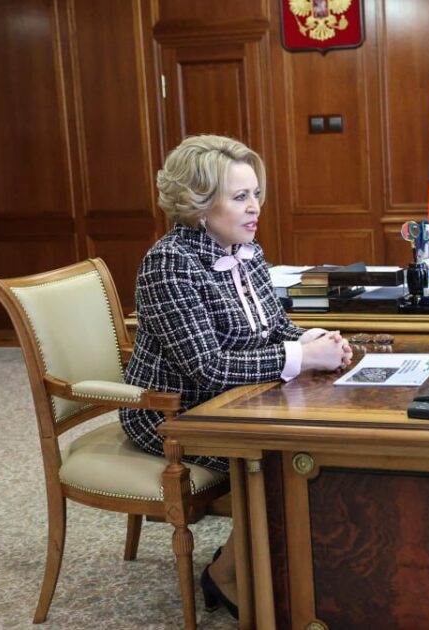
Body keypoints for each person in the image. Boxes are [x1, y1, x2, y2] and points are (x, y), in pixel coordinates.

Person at [121, 134, 352, 618]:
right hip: (174, 412)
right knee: (276, 461)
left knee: (319, 448)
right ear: (200, 204)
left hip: (239, 396)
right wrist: (302, 357)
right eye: (240, 196)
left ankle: (292, 572)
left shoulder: (248, 250)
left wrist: (316, 341)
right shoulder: (169, 263)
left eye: (256, 194)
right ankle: (227, 574)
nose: (255, 208)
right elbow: (207, 367)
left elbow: (275, 328)